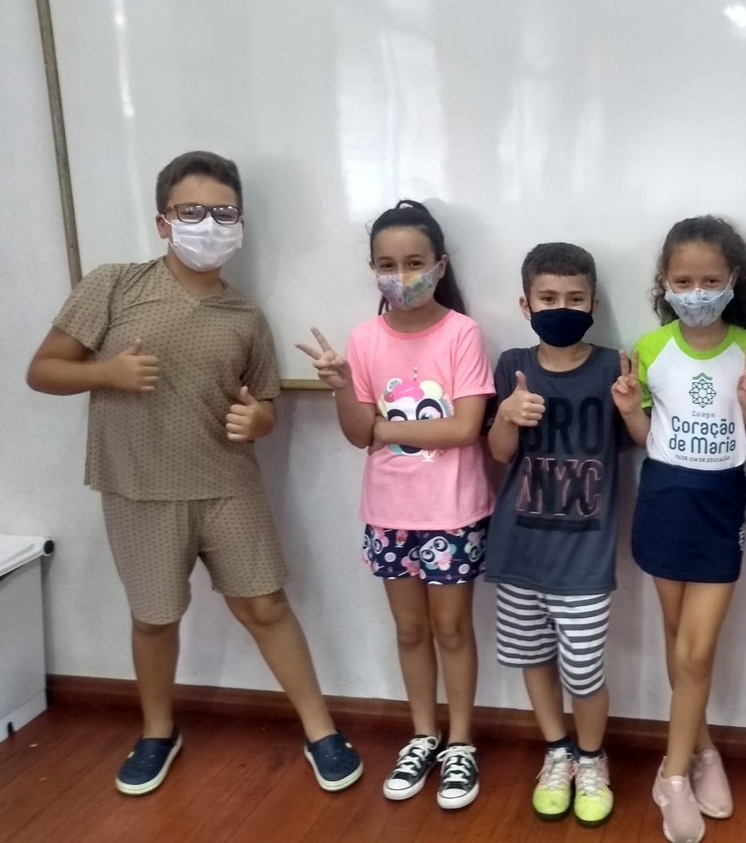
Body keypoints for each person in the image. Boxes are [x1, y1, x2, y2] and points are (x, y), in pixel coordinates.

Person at [27, 150, 362, 795]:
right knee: (154, 618)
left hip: (227, 484)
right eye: (192, 212)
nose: (209, 225)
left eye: (224, 213)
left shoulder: (246, 316)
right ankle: (157, 733)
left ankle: (321, 731)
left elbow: (266, 404)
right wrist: (107, 373)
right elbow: (43, 371)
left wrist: (260, 421)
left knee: (265, 604)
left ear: (240, 224)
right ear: (163, 222)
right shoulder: (114, 285)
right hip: (139, 486)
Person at [299, 200, 493, 809]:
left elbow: (464, 428)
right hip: (388, 513)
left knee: (451, 629)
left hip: (453, 512)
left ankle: (460, 743)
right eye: (387, 264)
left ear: (440, 265)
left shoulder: (461, 333)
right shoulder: (363, 340)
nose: (401, 275)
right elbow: (356, 432)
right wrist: (342, 389)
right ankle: (423, 736)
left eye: (414, 262)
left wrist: (384, 427)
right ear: (373, 269)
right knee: (409, 631)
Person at [614, 215, 746, 843]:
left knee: (696, 650)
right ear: (665, 281)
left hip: (720, 506)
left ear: (732, 279)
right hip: (662, 501)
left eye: (710, 280)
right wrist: (628, 412)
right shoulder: (650, 348)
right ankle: (703, 749)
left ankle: (673, 775)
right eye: (683, 281)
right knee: (679, 639)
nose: (697, 292)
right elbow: (645, 436)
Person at [486, 242, 625, 827]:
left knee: (584, 671)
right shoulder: (512, 364)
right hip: (518, 549)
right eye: (547, 298)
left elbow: (637, 440)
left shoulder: (614, 366)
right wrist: (506, 416)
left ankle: (592, 759)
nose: (561, 308)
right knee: (533, 658)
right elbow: (498, 455)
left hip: (586, 556)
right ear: (526, 304)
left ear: (593, 304)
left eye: (574, 298)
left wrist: (630, 404)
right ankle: (557, 752)